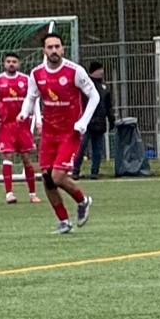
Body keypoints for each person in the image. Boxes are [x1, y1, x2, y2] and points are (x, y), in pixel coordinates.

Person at [19, 33, 97, 234]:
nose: (54, 50)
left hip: (70, 133)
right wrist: (24, 113)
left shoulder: (75, 71)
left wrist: (83, 122)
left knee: (58, 176)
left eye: (57, 46)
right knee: (47, 178)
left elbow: (94, 96)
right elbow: (31, 97)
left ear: (63, 49)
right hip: (49, 133)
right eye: (50, 47)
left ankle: (82, 200)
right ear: (44, 51)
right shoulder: (37, 74)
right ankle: (63, 221)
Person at [0, 52, 40, 204]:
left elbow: (34, 101)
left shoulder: (26, 80)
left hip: (22, 126)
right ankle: (9, 193)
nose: (11, 64)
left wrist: (38, 121)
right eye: (8, 61)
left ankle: (32, 194)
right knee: (7, 156)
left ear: (18, 64)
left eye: (14, 61)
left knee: (26, 158)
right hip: (5, 126)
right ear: (4, 64)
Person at [73, 61, 115, 180]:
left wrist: (111, 119)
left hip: (100, 122)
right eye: (99, 69)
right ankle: (75, 170)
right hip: (86, 122)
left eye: (102, 69)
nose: (101, 72)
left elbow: (108, 105)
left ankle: (95, 171)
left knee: (98, 149)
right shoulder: (85, 84)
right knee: (81, 147)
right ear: (93, 71)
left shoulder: (105, 87)